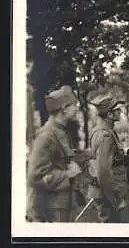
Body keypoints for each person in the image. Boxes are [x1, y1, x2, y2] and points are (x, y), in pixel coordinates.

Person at [26, 85, 83, 222]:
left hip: (62, 209)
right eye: (74, 104)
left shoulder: (60, 131)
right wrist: (67, 174)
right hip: (49, 214)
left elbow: (59, 162)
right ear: (63, 109)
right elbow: (35, 176)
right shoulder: (46, 136)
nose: (77, 108)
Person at [87, 94, 128, 223]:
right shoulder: (105, 136)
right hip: (107, 197)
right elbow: (104, 173)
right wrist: (115, 200)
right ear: (110, 114)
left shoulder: (101, 131)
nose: (120, 112)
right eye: (117, 110)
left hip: (103, 194)